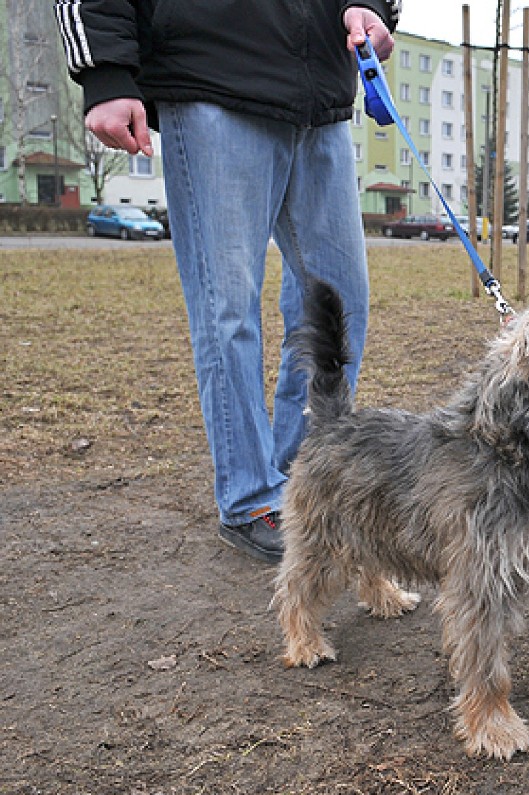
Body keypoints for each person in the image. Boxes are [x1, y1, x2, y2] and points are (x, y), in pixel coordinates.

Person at [55, 1, 400, 563]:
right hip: (209, 74)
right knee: (228, 309)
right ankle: (250, 498)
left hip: (321, 93)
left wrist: (372, 5)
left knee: (339, 304)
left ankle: (303, 482)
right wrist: (105, 72)